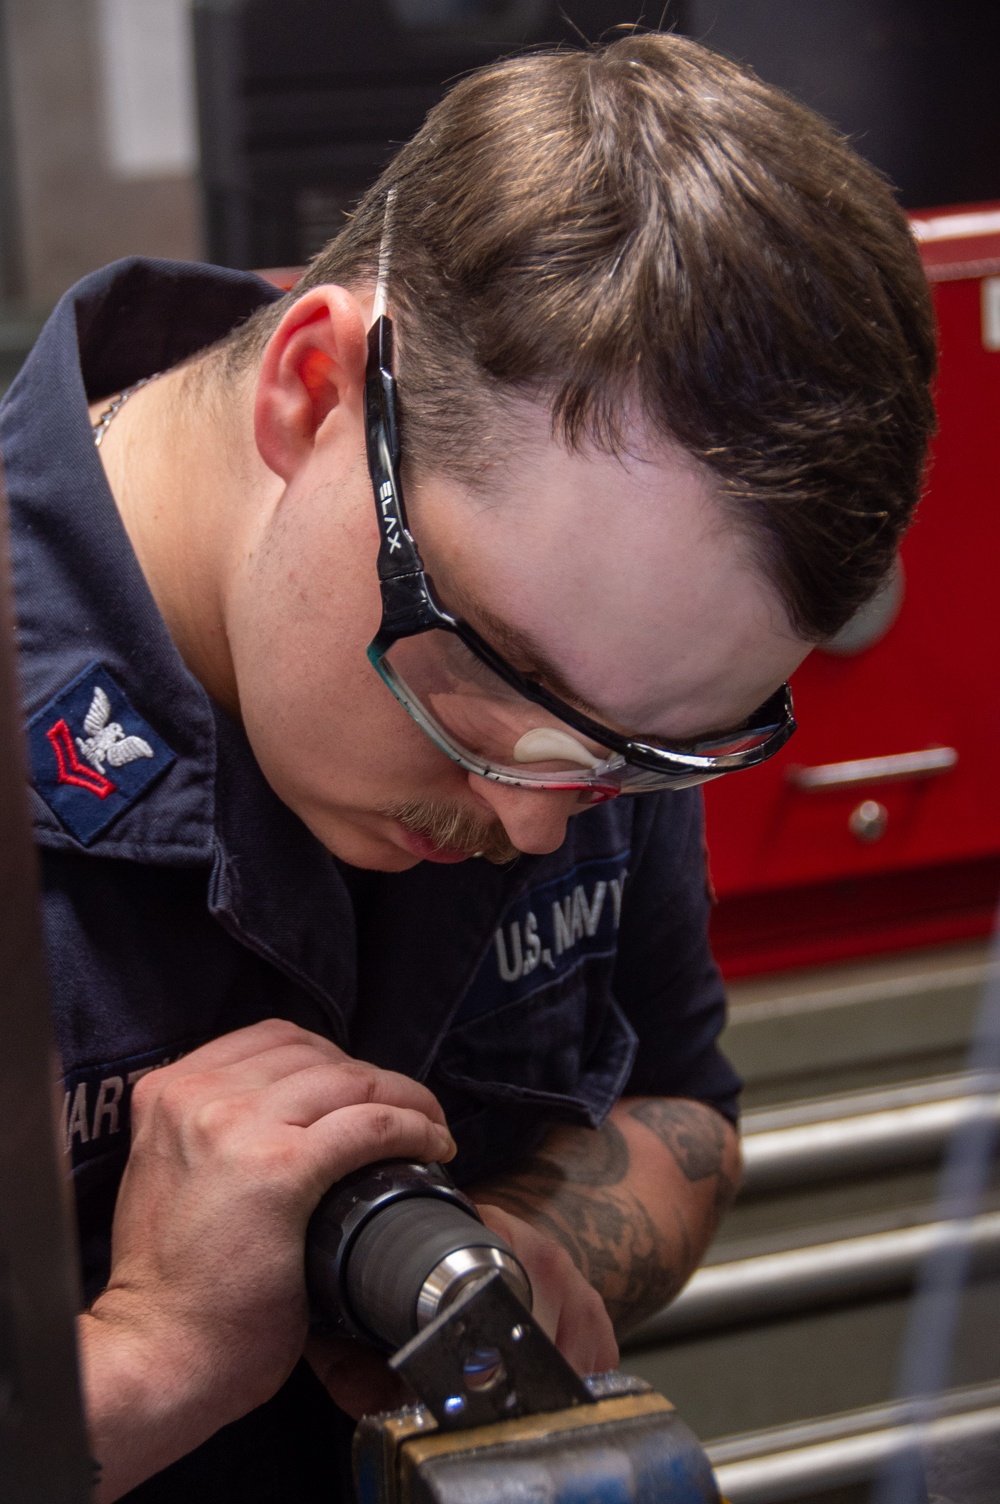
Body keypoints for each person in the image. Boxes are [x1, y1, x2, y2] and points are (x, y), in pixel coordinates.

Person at [3, 30, 935, 1504]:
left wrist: (539, 1248)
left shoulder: (593, 695)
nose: (531, 819)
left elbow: (682, 1114)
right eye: (491, 693)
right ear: (314, 391)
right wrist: (145, 1356)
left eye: (643, 762)